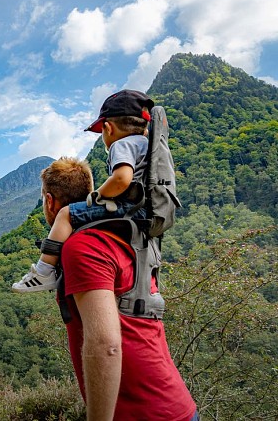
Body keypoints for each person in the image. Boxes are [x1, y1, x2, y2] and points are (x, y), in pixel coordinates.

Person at [34, 156, 197, 421]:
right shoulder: (122, 236)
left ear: (49, 202)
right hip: (173, 403)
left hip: (143, 413)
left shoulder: (82, 246)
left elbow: (105, 345)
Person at [12, 89, 153, 293]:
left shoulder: (121, 145)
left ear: (108, 128)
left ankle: (43, 271)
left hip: (131, 207)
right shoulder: (147, 145)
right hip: (145, 210)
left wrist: (99, 195)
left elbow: (122, 178)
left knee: (66, 214)